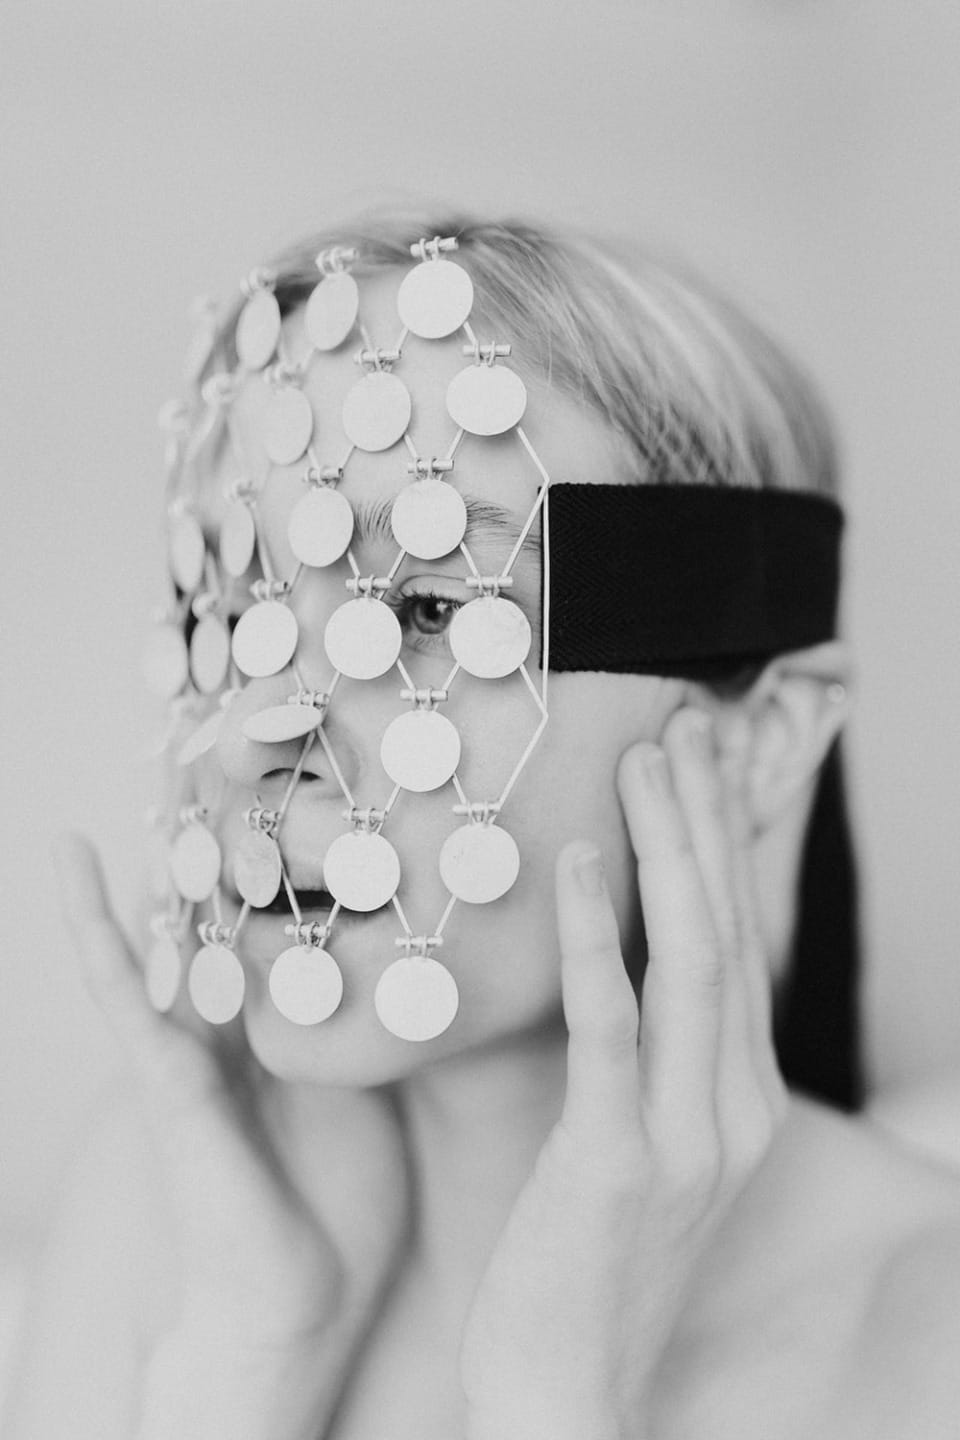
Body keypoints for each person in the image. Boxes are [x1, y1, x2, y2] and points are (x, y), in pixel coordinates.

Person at [6, 211, 960, 1440]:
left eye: (421, 609)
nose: (249, 734)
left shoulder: (929, 1339)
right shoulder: (181, 1213)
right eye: (234, 607)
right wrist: (243, 1369)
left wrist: (548, 1407)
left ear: (754, 740)